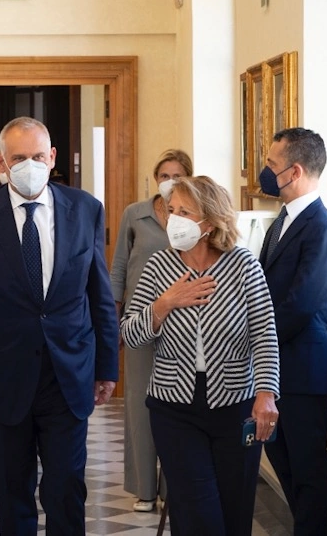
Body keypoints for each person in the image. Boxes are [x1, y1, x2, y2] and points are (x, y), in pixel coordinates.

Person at [0, 116, 119, 535]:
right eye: (19, 158)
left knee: (66, 487)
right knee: (13, 491)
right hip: (0, 379)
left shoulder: (86, 210)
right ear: (0, 164)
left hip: (68, 374)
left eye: (38, 156)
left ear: (53, 158)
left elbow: (100, 294)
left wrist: (107, 366)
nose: (30, 164)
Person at [120, 175, 279, 536]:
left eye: (184, 212)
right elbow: (129, 334)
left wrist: (266, 394)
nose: (173, 219)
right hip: (173, 408)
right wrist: (163, 305)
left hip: (236, 405)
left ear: (209, 222)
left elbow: (265, 333)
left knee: (234, 512)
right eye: (171, 210)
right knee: (197, 515)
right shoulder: (158, 266)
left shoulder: (243, 265)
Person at [258, 127, 327, 536]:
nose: (265, 171)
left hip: (304, 371)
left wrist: (254, 337)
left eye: (272, 165)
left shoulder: (323, 228)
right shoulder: (282, 220)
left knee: (309, 472)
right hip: (277, 369)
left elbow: (299, 305)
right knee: (286, 466)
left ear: (294, 171)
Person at [110, 148, 193, 512]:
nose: (169, 180)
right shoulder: (135, 213)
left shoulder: (193, 216)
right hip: (140, 320)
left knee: (177, 404)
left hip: (185, 321)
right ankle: (144, 488)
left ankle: (173, 485)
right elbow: (118, 268)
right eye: (163, 174)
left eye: (176, 174)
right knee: (140, 405)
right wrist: (113, 320)